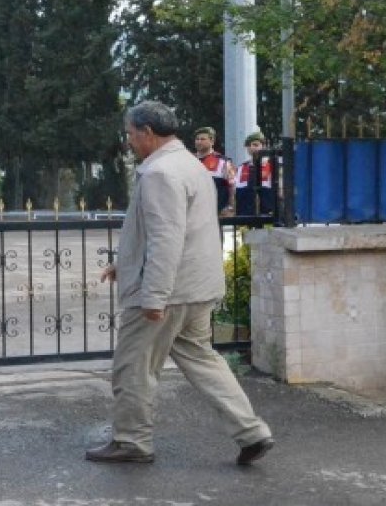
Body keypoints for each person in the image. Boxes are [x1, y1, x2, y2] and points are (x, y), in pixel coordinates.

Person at [86, 100, 275, 465]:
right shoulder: (189, 164)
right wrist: (122, 265)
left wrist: (153, 297)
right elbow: (174, 231)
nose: (128, 141)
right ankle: (251, 431)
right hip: (195, 287)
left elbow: (166, 237)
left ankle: (131, 441)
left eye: (130, 134)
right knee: (203, 360)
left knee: (134, 366)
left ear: (147, 132)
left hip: (166, 292)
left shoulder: (160, 173)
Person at [193, 126, 236, 217]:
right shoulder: (189, 161)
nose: (199, 142)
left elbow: (232, 187)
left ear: (212, 141)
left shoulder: (223, 161)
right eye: (197, 139)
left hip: (217, 213)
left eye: (203, 139)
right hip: (194, 214)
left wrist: (231, 207)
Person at [233, 131, 276, 218]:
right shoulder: (242, 167)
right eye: (249, 145)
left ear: (263, 146)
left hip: (267, 215)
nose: (252, 148)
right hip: (245, 215)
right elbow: (236, 192)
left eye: (256, 145)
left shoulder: (272, 165)